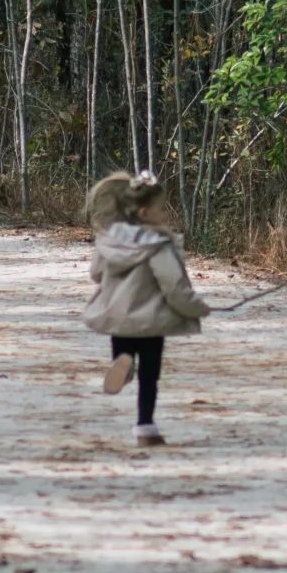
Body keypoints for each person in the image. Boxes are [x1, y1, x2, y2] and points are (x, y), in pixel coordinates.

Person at [83, 170, 209, 447]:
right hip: (150, 320)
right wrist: (197, 307)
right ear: (143, 212)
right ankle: (145, 427)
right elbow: (173, 286)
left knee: (125, 354)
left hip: (118, 316)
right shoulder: (157, 246)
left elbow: (95, 273)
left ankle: (123, 363)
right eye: (160, 208)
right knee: (149, 375)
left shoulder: (110, 240)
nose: (163, 214)